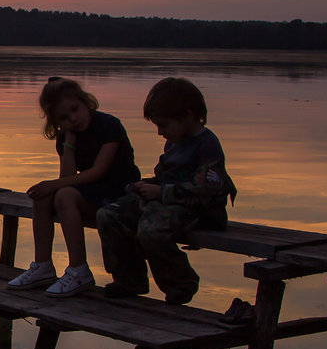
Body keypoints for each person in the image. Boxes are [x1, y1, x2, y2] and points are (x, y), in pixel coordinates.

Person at [96, 77, 236, 305]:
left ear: (188, 116)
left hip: (199, 210)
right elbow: (165, 177)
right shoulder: (174, 141)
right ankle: (129, 280)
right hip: (166, 202)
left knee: (150, 231)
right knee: (108, 214)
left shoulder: (207, 145)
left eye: (164, 124)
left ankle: (180, 283)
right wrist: (141, 186)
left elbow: (209, 191)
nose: (160, 132)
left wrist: (161, 192)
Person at [7, 77, 141, 297]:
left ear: (85, 102)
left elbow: (98, 172)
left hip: (119, 193)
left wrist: (52, 185)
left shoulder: (109, 126)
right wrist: (68, 142)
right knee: (43, 197)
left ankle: (79, 270)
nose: (73, 118)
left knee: (63, 195)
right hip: (93, 191)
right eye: (64, 118)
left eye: (75, 110)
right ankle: (42, 265)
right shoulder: (66, 136)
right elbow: (68, 176)